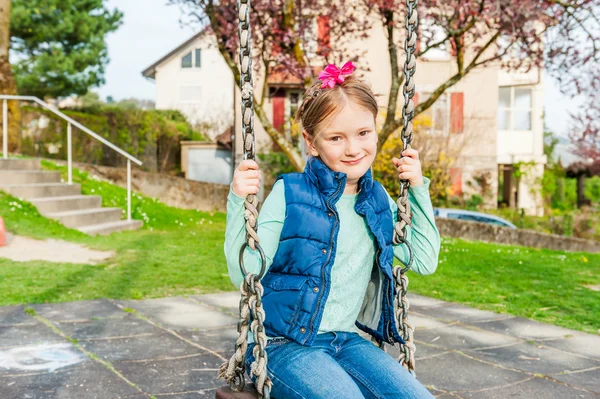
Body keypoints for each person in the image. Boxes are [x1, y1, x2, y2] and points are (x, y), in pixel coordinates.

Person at [224, 61, 440, 399]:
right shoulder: (290, 193)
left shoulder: (378, 199)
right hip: (284, 344)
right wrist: (238, 201)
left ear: (375, 131)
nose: (353, 149)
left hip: (347, 340)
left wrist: (418, 189)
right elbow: (246, 272)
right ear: (312, 142)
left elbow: (424, 259)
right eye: (336, 138)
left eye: (363, 133)